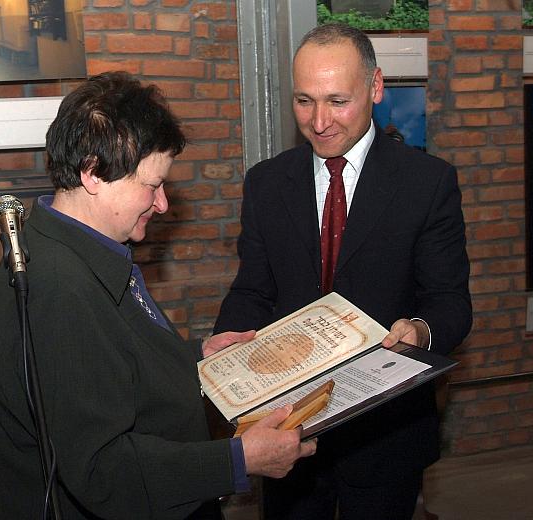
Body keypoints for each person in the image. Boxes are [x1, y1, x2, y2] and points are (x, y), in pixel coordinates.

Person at [0, 71, 316, 520]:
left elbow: (109, 368)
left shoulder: (75, 249)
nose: (162, 205)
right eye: (151, 185)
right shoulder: (58, 288)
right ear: (93, 173)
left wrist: (198, 356)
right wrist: (239, 459)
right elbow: (102, 471)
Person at [214, 24, 472, 520]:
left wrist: (420, 329)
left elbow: (451, 304)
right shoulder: (266, 184)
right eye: (304, 101)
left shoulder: (427, 183)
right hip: (291, 428)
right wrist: (230, 340)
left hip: (386, 434)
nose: (319, 121)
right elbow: (253, 289)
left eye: (337, 100)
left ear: (375, 88)